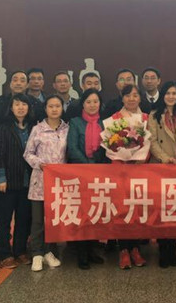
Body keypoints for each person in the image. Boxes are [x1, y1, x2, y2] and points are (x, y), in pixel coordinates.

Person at [101, 85, 148, 269]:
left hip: (139, 168)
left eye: (135, 95)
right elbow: (110, 144)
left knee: (137, 208)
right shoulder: (114, 119)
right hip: (119, 168)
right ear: (122, 98)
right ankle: (123, 250)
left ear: (140, 98)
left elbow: (149, 143)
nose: (131, 98)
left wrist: (140, 158)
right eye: (127, 95)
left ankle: (135, 248)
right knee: (121, 208)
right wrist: (121, 156)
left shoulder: (146, 119)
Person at [24, 95, 69, 272]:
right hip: (40, 181)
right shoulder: (37, 129)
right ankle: (36, 253)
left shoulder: (67, 129)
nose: (54, 109)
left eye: (58, 106)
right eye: (51, 106)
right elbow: (28, 153)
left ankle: (49, 252)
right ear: (45, 109)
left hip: (59, 183)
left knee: (53, 220)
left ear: (62, 108)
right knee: (37, 220)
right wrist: (40, 164)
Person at [67, 89, 108, 269]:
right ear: (82, 104)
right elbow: (72, 148)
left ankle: (93, 250)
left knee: (95, 212)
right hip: (80, 173)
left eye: (95, 101)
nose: (92, 105)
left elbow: (109, 146)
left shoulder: (105, 123)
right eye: (88, 102)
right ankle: (81, 253)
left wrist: (98, 163)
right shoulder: (75, 122)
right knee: (82, 213)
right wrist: (88, 165)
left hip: (100, 174)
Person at [149, 81, 176, 268]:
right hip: (161, 167)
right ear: (162, 95)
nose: (171, 96)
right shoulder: (154, 115)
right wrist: (165, 158)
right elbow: (152, 141)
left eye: (174, 93)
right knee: (162, 209)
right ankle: (163, 250)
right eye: (168, 93)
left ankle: (172, 249)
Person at [0, 93, 34, 268]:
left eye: (24, 104)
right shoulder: (4, 128)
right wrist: (1, 178)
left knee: (23, 218)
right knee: (4, 219)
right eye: (17, 104)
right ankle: (4, 252)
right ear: (11, 108)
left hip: (28, 181)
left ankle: (20, 250)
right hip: (8, 181)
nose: (20, 107)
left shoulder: (34, 127)